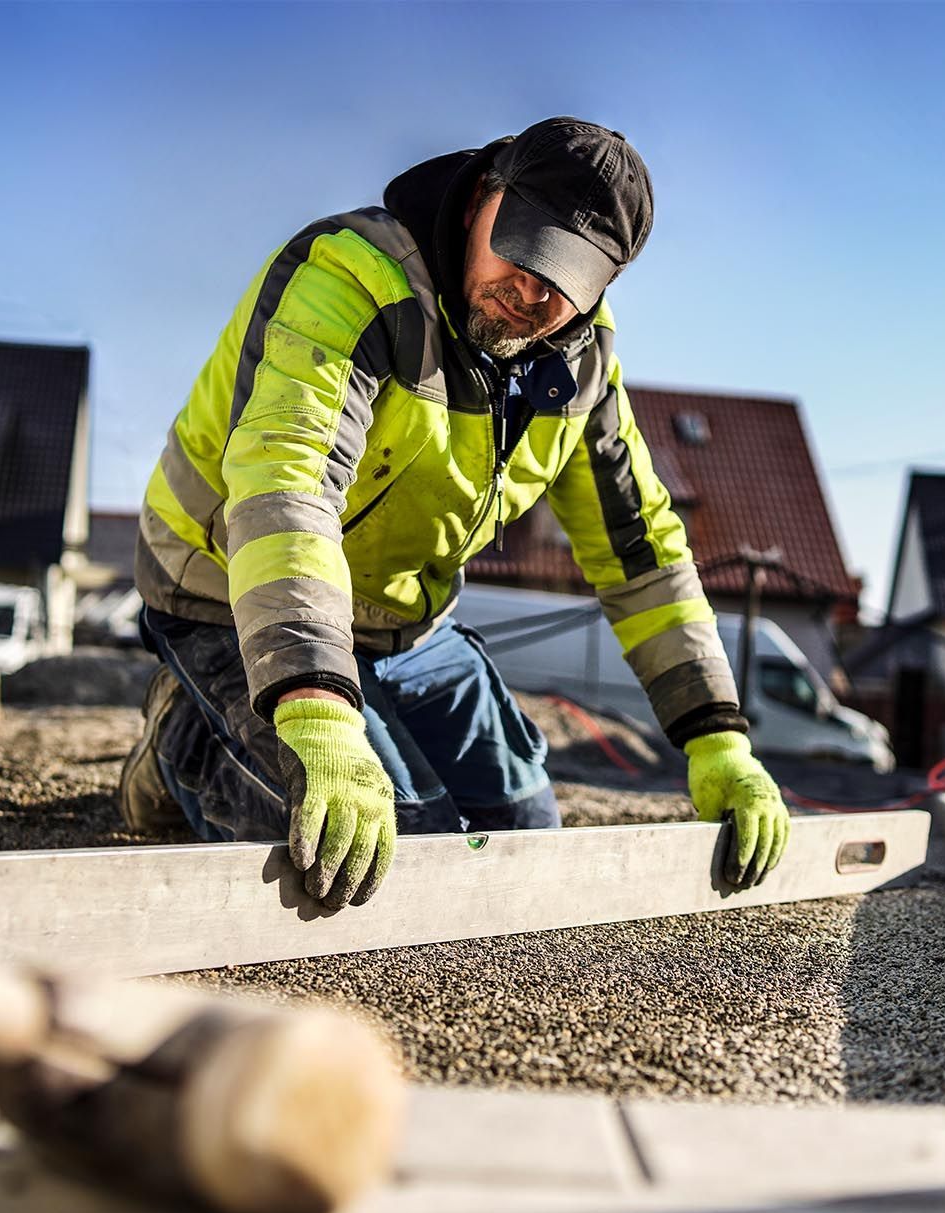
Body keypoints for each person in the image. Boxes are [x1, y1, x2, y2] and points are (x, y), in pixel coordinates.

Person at [117, 116, 791, 907]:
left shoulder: (583, 370)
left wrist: (717, 737)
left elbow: (641, 556)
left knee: (526, 832)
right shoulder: (348, 278)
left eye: (566, 279)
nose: (531, 293)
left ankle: (326, 709)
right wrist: (318, 710)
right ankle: (180, 741)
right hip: (228, 590)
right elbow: (285, 484)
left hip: (404, 619)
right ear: (481, 197)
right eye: (525, 251)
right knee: (387, 850)